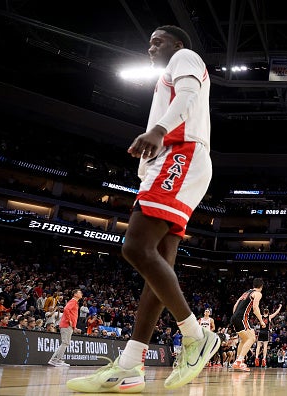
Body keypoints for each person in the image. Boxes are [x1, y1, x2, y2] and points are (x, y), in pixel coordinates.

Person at [67, 25, 219, 393]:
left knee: (135, 247)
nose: (151, 47)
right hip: (175, 161)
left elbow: (187, 94)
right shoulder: (168, 72)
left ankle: (196, 336)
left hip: (180, 153)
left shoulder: (185, 58)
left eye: (158, 41)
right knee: (158, 267)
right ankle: (131, 366)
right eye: (150, 42)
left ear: (177, 44)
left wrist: (158, 131)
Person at [230, 278, 265, 371]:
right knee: (252, 338)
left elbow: (235, 306)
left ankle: (237, 360)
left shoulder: (246, 293)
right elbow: (255, 308)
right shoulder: (258, 293)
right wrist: (261, 321)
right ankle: (239, 361)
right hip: (242, 317)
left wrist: (235, 316)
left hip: (235, 317)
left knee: (244, 339)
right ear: (261, 286)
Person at [49, 289, 82, 367]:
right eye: (80, 293)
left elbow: (72, 314)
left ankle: (56, 360)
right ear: (75, 294)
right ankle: (56, 360)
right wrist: (69, 320)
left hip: (68, 325)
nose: (81, 294)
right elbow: (66, 309)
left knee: (65, 343)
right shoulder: (73, 301)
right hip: (66, 325)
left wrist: (74, 327)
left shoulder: (75, 302)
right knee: (65, 343)